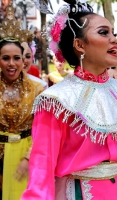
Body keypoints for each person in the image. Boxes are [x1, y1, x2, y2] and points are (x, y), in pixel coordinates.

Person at [21, 1, 117, 199]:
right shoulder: (57, 100)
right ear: (79, 45)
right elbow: (42, 167)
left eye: (113, 33)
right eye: (104, 33)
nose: (114, 40)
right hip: (75, 193)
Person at [0, 5, 44, 200]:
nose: (12, 63)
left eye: (16, 58)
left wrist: (29, 157)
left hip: (27, 156)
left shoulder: (37, 89)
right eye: (5, 58)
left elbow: (43, 129)